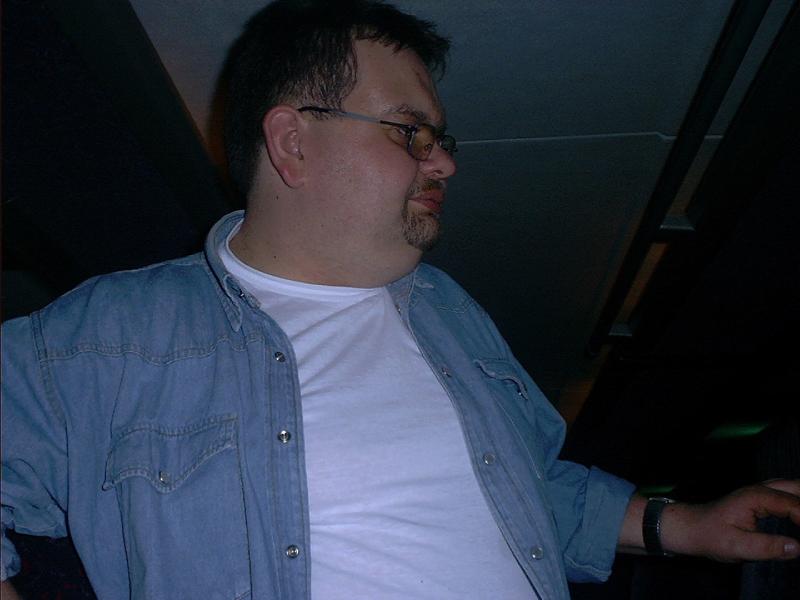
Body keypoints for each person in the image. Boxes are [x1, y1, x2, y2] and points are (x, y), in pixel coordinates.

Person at [2, 1, 798, 598]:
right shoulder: (107, 335)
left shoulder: (451, 313)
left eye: (440, 139)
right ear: (292, 143)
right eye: (410, 131)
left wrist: (682, 524)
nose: (444, 162)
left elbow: (527, 489)